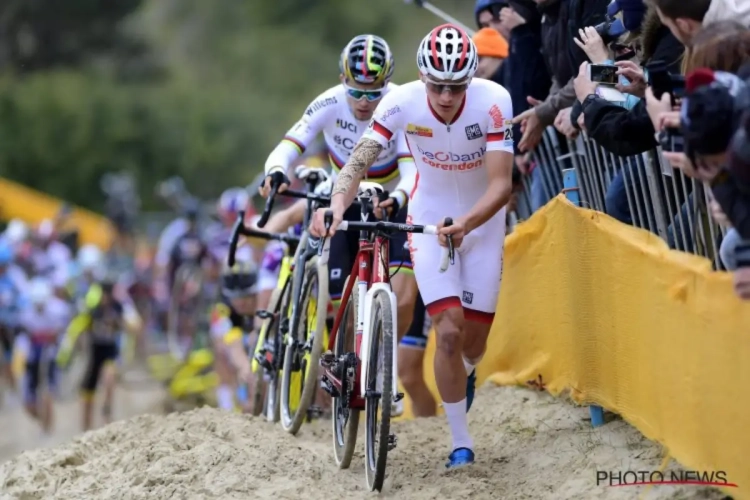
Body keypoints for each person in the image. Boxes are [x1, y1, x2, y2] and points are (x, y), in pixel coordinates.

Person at [310, 24, 514, 468]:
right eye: (438, 85)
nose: (445, 95)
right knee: (449, 331)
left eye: (456, 86)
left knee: (473, 345)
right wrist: (337, 204)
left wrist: (467, 223)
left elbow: (501, 185)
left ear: (470, 80)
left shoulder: (494, 100)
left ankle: (468, 371)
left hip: (482, 221)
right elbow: (356, 163)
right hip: (426, 216)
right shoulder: (400, 101)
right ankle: (461, 442)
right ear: (422, 79)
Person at [259, 34, 435, 417]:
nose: (363, 102)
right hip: (344, 197)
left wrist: (399, 199)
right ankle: (344, 369)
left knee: (404, 299)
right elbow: (293, 141)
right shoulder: (329, 102)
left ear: (386, 84)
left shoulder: (399, 103)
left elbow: (410, 170)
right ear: (343, 81)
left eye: (373, 94)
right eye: (355, 91)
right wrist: (275, 169)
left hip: (392, 199)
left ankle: (383, 369)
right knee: (339, 304)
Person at [57, 272, 141, 431]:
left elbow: (135, 327)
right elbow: (76, 330)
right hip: (94, 351)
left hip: (111, 350)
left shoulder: (119, 307)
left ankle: (106, 415)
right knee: (87, 390)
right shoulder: (91, 310)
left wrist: (121, 323)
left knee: (109, 376)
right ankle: (85, 429)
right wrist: (67, 355)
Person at [18, 277, 71, 433]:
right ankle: (41, 419)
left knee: (49, 391)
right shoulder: (25, 314)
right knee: (29, 402)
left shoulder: (59, 310)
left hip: (52, 354)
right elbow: (23, 338)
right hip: (33, 354)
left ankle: (49, 426)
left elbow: (64, 335)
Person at [209, 249, 257, 412]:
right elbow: (231, 343)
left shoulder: (264, 298)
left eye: (246, 297)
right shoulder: (223, 307)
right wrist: (244, 366)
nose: (241, 303)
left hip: (254, 338)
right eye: (236, 298)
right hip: (236, 340)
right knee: (222, 349)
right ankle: (227, 405)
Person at [0, 242, 25, 398]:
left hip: (9, 325)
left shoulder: (15, 278)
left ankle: (13, 390)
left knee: (9, 358)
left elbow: (24, 300)